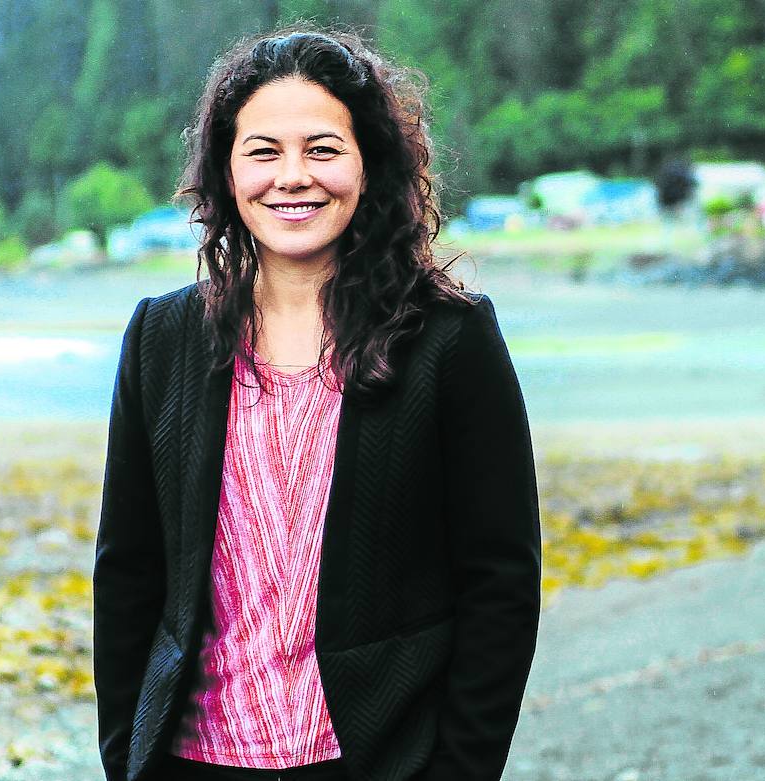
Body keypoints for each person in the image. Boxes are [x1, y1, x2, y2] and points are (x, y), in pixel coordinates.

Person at [93, 27, 541, 781]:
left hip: (377, 758)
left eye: (323, 149)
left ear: (369, 165)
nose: (292, 177)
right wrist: (125, 759)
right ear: (225, 172)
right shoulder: (161, 338)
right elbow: (127, 573)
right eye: (263, 150)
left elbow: (501, 583)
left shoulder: (450, 340)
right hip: (190, 758)